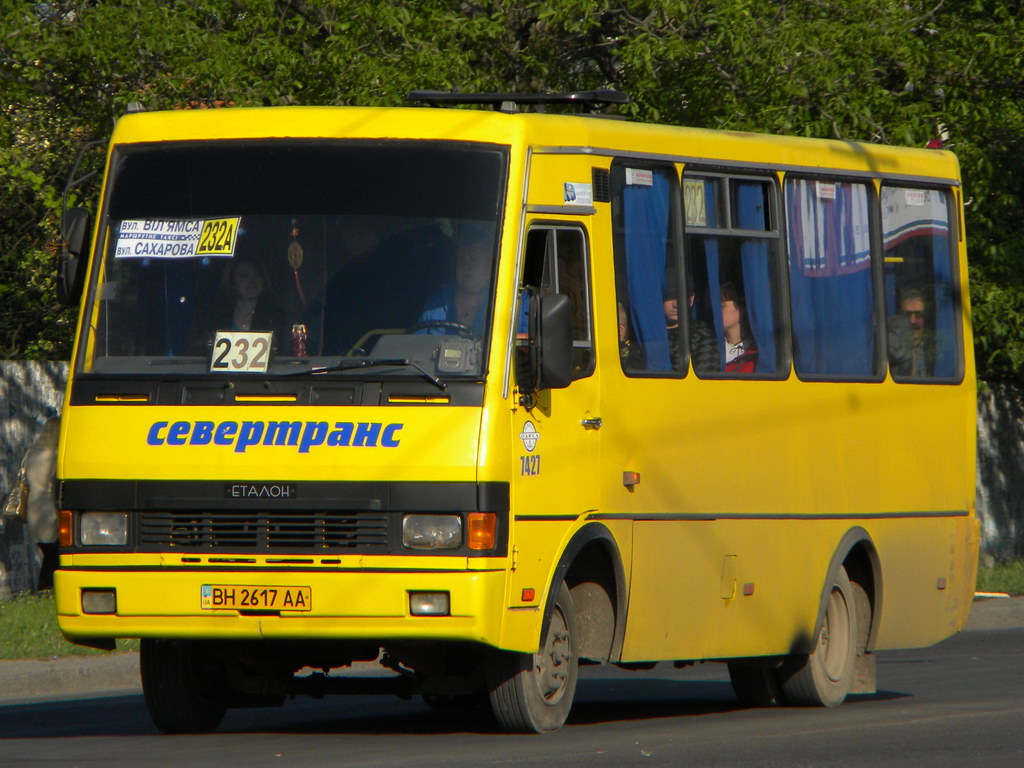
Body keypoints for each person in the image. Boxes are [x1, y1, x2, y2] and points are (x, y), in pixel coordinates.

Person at [417, 238, 491, 333]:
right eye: (461, 259)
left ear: (489, 267)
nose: (465, 265)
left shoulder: (502, 304)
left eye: (473, 259)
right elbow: (417, 342)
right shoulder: (437, 301)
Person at [664, 294, 718, 372]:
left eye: (681, 297)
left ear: (691, 300)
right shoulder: (643, 336)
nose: (675, 304)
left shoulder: (701, 336)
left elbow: (706, 379)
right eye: (669, 297)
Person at [888, 288, 933, 376]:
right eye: (907, 315)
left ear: (926, 317)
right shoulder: (893, 349)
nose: (912, 321)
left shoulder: (933, 349)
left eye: (918, 315)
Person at [721, 283, 758, 373]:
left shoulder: (759, 351)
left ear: (743, 308)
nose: (716, 310)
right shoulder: (710, 347)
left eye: (722, 305)